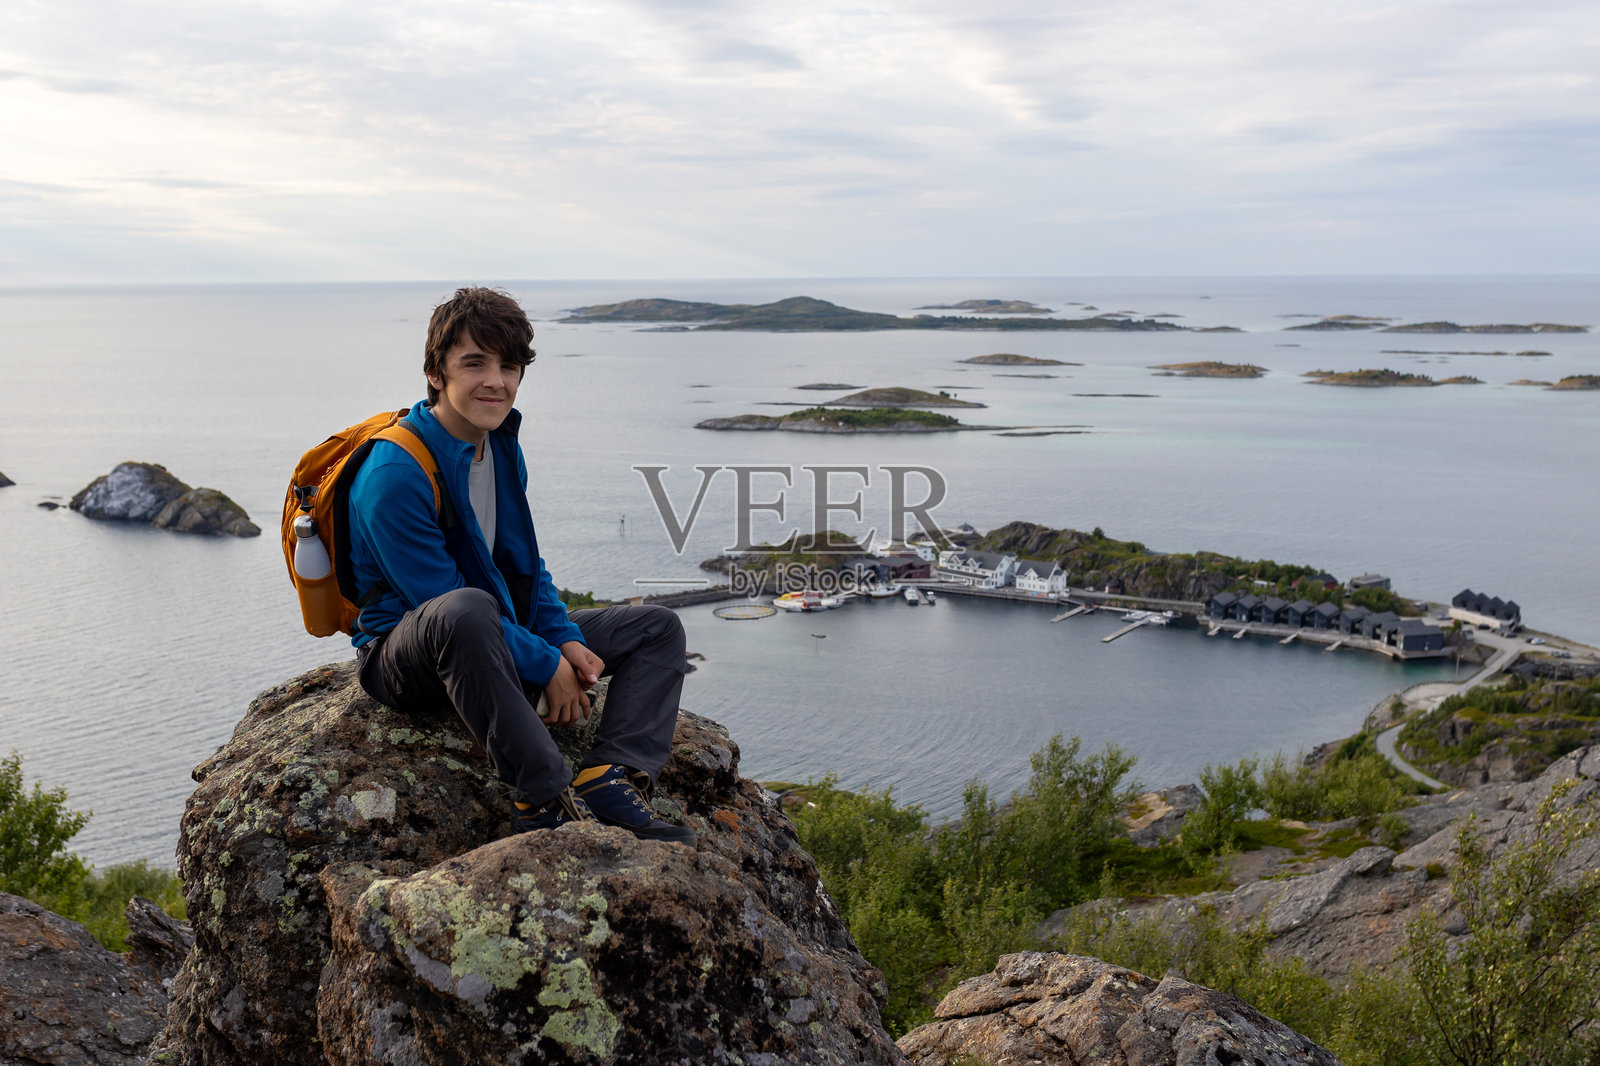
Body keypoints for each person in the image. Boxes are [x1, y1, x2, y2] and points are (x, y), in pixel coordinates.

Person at [345, 286, 693, 844]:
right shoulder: (395, 474)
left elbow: (523, 565)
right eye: (474, 363)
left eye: (509, 366)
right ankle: (542, 799)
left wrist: (560, 637)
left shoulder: (499, 444)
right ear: (436, 373)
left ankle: (612, 776)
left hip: (491, 630)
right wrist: (545, 664)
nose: (496, 381)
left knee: (656, 628)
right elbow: (432, 599)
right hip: (408, 656)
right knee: (463, 608)